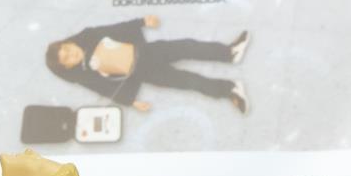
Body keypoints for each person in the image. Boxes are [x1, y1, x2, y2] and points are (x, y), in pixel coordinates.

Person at [47, 16, 250, 113]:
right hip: (144, 73)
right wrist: (131, 101)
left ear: (69, 42)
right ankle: (230, 90)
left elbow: (115, 28)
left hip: (148, 51)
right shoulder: (87, 73)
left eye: (67, 48)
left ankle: (229, 53)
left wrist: (142, 22)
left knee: (188, 47)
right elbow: (104, 88)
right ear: (68, 67)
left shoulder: (90, 36)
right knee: (189, 82)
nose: (71, 54)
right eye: (67, 59)